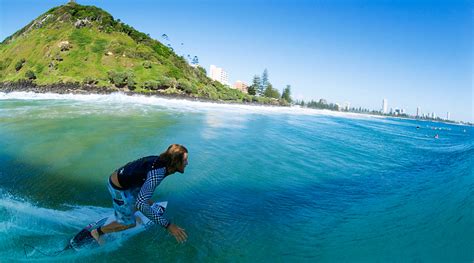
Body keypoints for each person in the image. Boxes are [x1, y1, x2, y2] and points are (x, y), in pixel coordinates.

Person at [90, 144, 189, 243]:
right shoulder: (157, 174)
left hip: (129, 184)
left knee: (146, 202)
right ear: (176, 162)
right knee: (130, 223)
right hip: (118, 188)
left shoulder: (162, 162)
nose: (187, 163)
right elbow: (141, 204)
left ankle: (130, 211)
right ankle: (98, 232)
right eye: (184, 160)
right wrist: (168, 226)